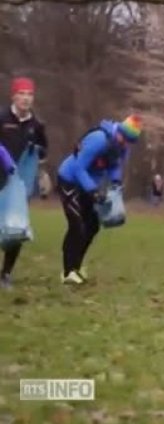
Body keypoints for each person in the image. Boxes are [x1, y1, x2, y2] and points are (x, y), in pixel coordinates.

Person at [57, 115, 142, 284]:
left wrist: (116, 183)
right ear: (119, 131)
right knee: (77, 225)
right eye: (124, 139)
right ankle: (67, 271)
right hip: (70, 180)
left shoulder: (122, 146)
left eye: (129, 142)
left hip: (89, 185)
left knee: (93, 226)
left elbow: (114, 165)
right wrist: (93, 191)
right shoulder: (98, 139)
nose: (125, 143)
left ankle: (77, 267)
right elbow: (79, 168)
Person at [0, 77, 48, 289]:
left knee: (17, 229)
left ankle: (6, 274)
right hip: (0, 177)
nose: (26, 99)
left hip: (18, 186)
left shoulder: (36, 125)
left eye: (30, 95)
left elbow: (42, 151)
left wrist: (41, 167)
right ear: (14, 96)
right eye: (22, 94)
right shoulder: (2, 117)